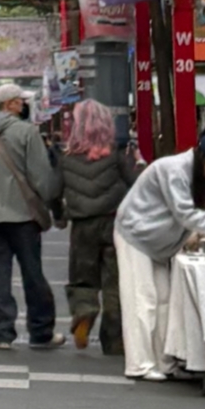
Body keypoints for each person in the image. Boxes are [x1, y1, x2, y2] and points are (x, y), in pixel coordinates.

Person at [113, 133, 205, 380]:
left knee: (163, 302)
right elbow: (187, 216)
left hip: (159, 242)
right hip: (135, 234)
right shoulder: (173, 171)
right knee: (142, 299)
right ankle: (139, 364)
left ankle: (163, 362)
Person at [0, 85, 58, 348]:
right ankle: (40, 330)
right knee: (32, 272)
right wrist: (52, 201)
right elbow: (40, 176)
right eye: (19, 101)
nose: (23, 104)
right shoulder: (27, 132)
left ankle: (3, 332)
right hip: (22, 214)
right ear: (9, 104)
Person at [57, 98, 131, 351]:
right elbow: (134, 184)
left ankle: (84, 312)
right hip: (113, 224)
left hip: (82, 226)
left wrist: (59, 214)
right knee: (115, 281)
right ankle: (113, 338)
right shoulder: (117, 155)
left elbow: (54, 191)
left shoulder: (66, 158)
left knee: (82, 277)